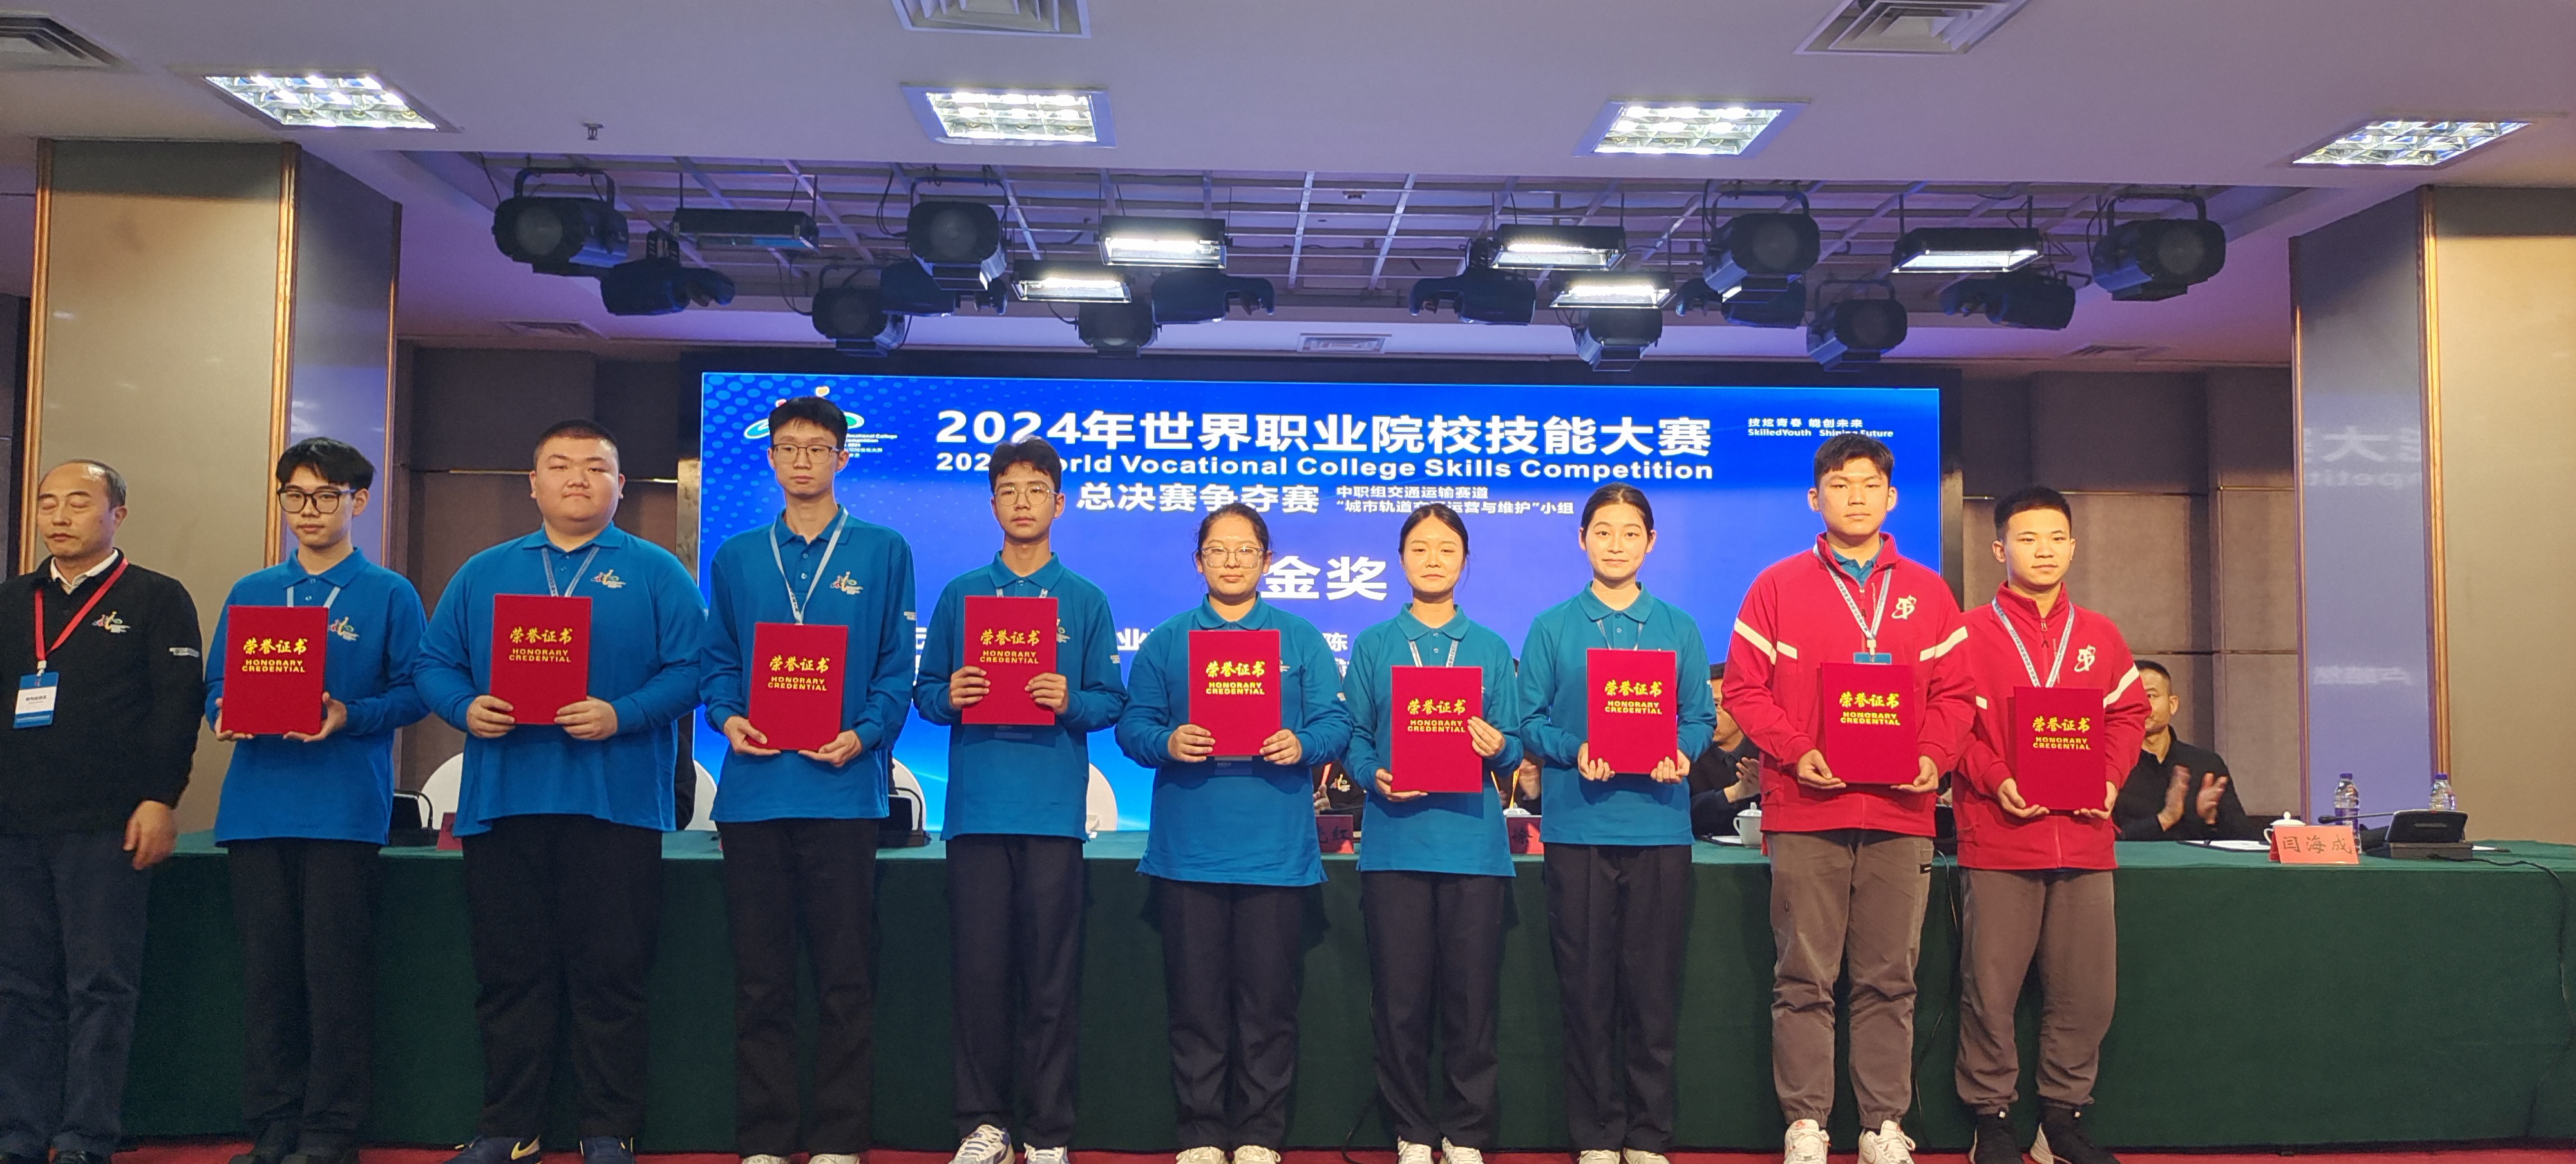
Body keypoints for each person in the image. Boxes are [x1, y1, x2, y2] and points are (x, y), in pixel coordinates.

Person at [415, 420, 705, 1164]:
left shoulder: (657, 572)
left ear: (620, 485)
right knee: (510, 973)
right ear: (533, 482)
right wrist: (463, 706)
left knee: (612, 974)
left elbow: (693, 670)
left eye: (596, 467)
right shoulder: (484, 570)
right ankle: (510, 1125)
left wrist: (622, 713)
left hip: (616, 804)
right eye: (560, 465)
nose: (578, 478)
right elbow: (433, 663)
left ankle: (609, 1125)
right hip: (504, 800)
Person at [1721, 434, 1975, 1164]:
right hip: (1806, 808)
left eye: (1868, 484)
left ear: (1892, 498)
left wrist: (1931, 756)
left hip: (1900, 813)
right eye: (1839, 484)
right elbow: (1744, 689)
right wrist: (1796, 748)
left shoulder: (1929, 592)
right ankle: (1806, 1121)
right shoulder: (1775, 586)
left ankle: (1881, 1123)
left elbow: (1956, 695)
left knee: (1889, 977)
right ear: (1815, 498)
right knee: (1803, 975)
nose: (1855, 496)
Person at [701, 396, 915, 1164]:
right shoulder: (736, 556)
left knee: (844, 978)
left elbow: (895, 665)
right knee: (760, 980)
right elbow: (718, 661)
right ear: (770, 457)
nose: (801, 459)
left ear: (842, 458)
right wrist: (727, 717)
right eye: (788, 446)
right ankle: (765, 1136)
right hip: (754, 795)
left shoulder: (883, 549)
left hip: (843, 791)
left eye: (817, 447)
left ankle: (836, 1137)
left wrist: (865, 732)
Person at [206, 439, 429, 1164]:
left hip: (342, 809)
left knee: (334, 976)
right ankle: (272, 1125)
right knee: (268, 977)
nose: (309, 510)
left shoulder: (388, 592)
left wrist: (349, 715)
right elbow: (216, 682)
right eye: (295, 496)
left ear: (357, 501)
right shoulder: (252, 590)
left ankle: (331, 1129)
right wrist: (222, 712)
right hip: (256, 807)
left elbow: (416, 692)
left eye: (326, 496)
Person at [1114, 503, 1350, 1164]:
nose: (1232, 561)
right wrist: (1167, 740)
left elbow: (1335, 723)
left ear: (1267, 560)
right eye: (1218, 550)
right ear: (1198, 562)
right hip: (1189, 851)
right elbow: (1132, 726)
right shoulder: (1168, 641)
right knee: (1196, 1005)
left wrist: (1301, 742)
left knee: (1268, 1005)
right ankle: (1199, 1133)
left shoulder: (1299, 639)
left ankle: (1257, 1134)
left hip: (1275, 852)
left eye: (1246, 549)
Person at [912, 436, 1123, 1164]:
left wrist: (1071, 700)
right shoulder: (962, 594)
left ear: (1059, 503)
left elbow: (1110, 701)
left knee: (1050, 979)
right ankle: (983, 1123)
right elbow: (925, 693)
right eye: (1009, 490)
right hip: (976, 813)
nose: (1022, 502)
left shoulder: (1084, 599)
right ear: (993, 503)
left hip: (1053, 816)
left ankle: (1048, 1130)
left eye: (1036, 490)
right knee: (979, 975)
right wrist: (951, 693)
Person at [0, 460, 204, 1164]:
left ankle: (87, 1134)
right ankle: (20, 1130)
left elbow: (177, 707)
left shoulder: (155, 597)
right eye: (48, 503)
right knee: (18, 985)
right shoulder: (12, 600)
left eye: (79, 502)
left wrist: (160, 798)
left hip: (107, 824)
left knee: (101, 984)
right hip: (14, 822)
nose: (59, 516)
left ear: (118, 513)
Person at [1514, 483, 1715, 1164]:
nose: (1616, 544)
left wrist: (1681, 751)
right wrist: (1574, 748)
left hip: (1658, 828)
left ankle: (1649, 1134)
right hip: (1578, 827)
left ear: (1650, 543)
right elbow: (1528, 720)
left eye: (1631, 533)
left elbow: (1700, 716)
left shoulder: (1678, 627)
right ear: (1582, 539)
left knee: (1652, 992)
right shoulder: (1552, 626)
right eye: (1603, 531)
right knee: (1587, 989)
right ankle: (1597, 1134)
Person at [1950, 487, 2149, 1164]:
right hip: (1999, 835)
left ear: (2072, 547)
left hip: (2086, 838)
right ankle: (1992, 1119)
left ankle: (2061, 1120)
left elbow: (2127, 715)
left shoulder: (2100, 635)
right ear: (1998, 548)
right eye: (2028, 538)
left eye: (2056, 538)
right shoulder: (1967, 634)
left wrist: (2109, 780)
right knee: (1990, 991)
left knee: (2086, 994)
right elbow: (1952, 724)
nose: (2044, 551)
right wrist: (1994, 778)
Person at [1341, 504, 1524, 1164]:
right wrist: (1374, 775)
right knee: (1400, 1001)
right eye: (1420, 548)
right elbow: (1354, 739)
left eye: (1446, 549)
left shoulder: (1489, 647)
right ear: (1401, 559)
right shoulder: (1374, 644)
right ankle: (1413, 1130)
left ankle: (1467, 1130)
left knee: (1471, 1001)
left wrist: (1499, 744)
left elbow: (1515, 744)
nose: (1433, 559)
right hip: (1395, 844)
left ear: (1464, 561)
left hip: (1473, 846)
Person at [2110, 662, 2258, 841]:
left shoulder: (2205, 764)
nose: (2141, 704)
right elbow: (2106, 839)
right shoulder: (2110, 764)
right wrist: (2165, 819)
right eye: (2132, 697)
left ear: (2172, 704)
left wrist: (2210, 820)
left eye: (2150, 696)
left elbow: (2246, 839)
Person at [1689, 662, 1762, 839]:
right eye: (1702, 707)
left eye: (1715, 705)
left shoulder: (1765, 751)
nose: (1707, 715)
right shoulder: (1689, 752)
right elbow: (1683, 815)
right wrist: (1734, 793)